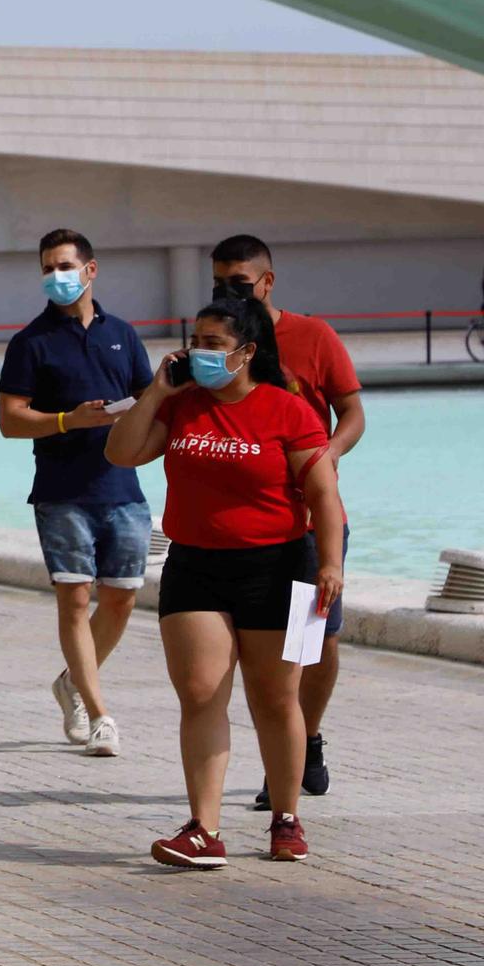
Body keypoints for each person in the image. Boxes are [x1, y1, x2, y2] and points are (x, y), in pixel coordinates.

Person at [105, 296, 343, 869]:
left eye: (213, 344)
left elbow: (324, 497)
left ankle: (286, 818)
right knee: (201, 693)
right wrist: (158, 391)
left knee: (275, 697)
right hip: (195, 566)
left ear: (247, 352)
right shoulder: (183, 406)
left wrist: (331, 564)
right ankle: (203, 829)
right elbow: (121, 452)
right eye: (196, 341)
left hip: (281, 566)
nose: (199, 352)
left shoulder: (287, 411)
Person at [210, 234, 366, 810]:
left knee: (314, 646)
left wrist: (328, 453)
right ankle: (285, 770)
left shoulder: (314, 336)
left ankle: (309, 741)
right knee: (276, 660)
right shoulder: (216, 345)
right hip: (242, 535)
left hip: (306, 526)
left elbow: (352, 411)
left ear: (267, 283)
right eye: (220, 283)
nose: (229, 293)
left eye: (240, 284)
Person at [0, 229, 153, 758]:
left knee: (122, 598)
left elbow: (149, 402)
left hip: (123, 488)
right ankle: (98, 711)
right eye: (47, 267)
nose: (55, 276)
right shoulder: (30, 342)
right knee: (75, 598)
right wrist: (69, 420)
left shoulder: (124, 335)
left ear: (90, 270)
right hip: (61, 492)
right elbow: (10, 421)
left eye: (64, 265)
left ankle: (70, 683)